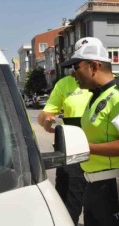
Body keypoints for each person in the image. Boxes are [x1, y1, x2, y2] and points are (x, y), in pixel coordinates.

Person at [61, 37, 119, 226]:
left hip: (116, 186)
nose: (73, 74)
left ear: (94, 66)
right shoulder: (97, 96)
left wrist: (84, 148)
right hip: (94, 185)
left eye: (77, 67)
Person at [37, 72, 92, 225]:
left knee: (99, 205)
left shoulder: (110, 83)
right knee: (69, 201)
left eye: (79, 65)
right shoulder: (65, 83)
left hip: (103, 150)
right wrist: (47, 120)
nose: (75, 69)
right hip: (72, 149)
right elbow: (44, 115)